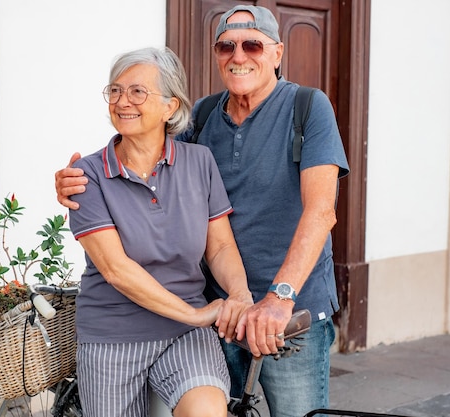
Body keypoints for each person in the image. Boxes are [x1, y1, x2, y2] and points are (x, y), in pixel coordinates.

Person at [56, 6, 350, 417]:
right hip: (221, 311)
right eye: (226, 45)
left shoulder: (308, 107)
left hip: (287, 307)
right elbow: (145, 140)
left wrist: (277, 298)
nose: (238, 55)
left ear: (278, 52)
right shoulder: (205, 118)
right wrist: (83, 177)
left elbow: (321, 211)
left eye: (252, 44)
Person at [67, 46, 254, 417]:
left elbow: (218, 247)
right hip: (113, 335)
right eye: (116, 91)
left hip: (185, 337)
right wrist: (197, 315)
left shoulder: (199, 162)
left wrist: (240, 294)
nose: (123, 101)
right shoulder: (86, 176)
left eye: (138, 91)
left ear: (170, 107)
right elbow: (116, 270)